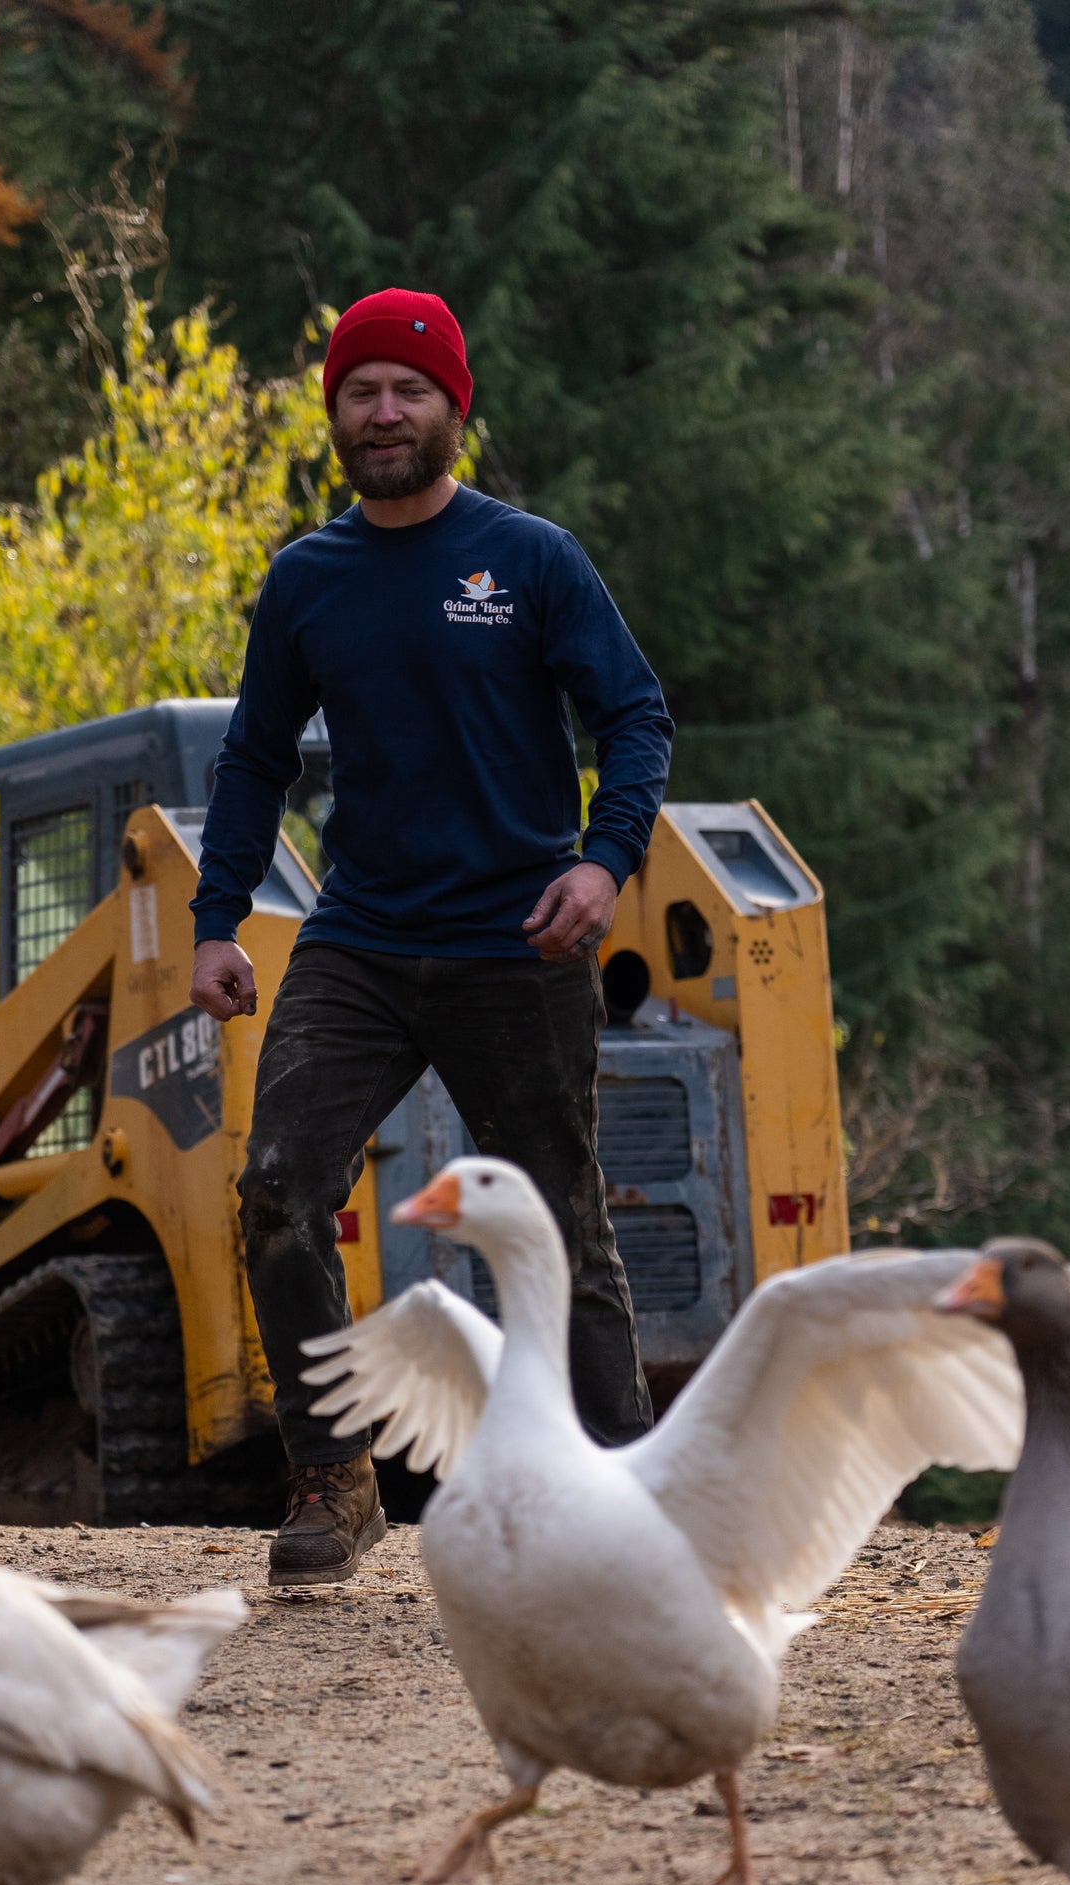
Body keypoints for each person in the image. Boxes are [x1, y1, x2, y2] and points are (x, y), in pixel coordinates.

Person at [189, 287, 673, 1588]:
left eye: (410, 390)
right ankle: (333, 1476)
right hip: (359, 939)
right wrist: (216, 920)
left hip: (519, 942)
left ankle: (628, 1502)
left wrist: (604, 862)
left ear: (455, 407)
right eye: (361, 391)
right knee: (279, 1195)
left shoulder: (531, 560)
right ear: (336, 415)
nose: (385, 411)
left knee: (561, 1225)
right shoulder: (308, 579)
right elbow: (254, 759)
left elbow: (634, 716)